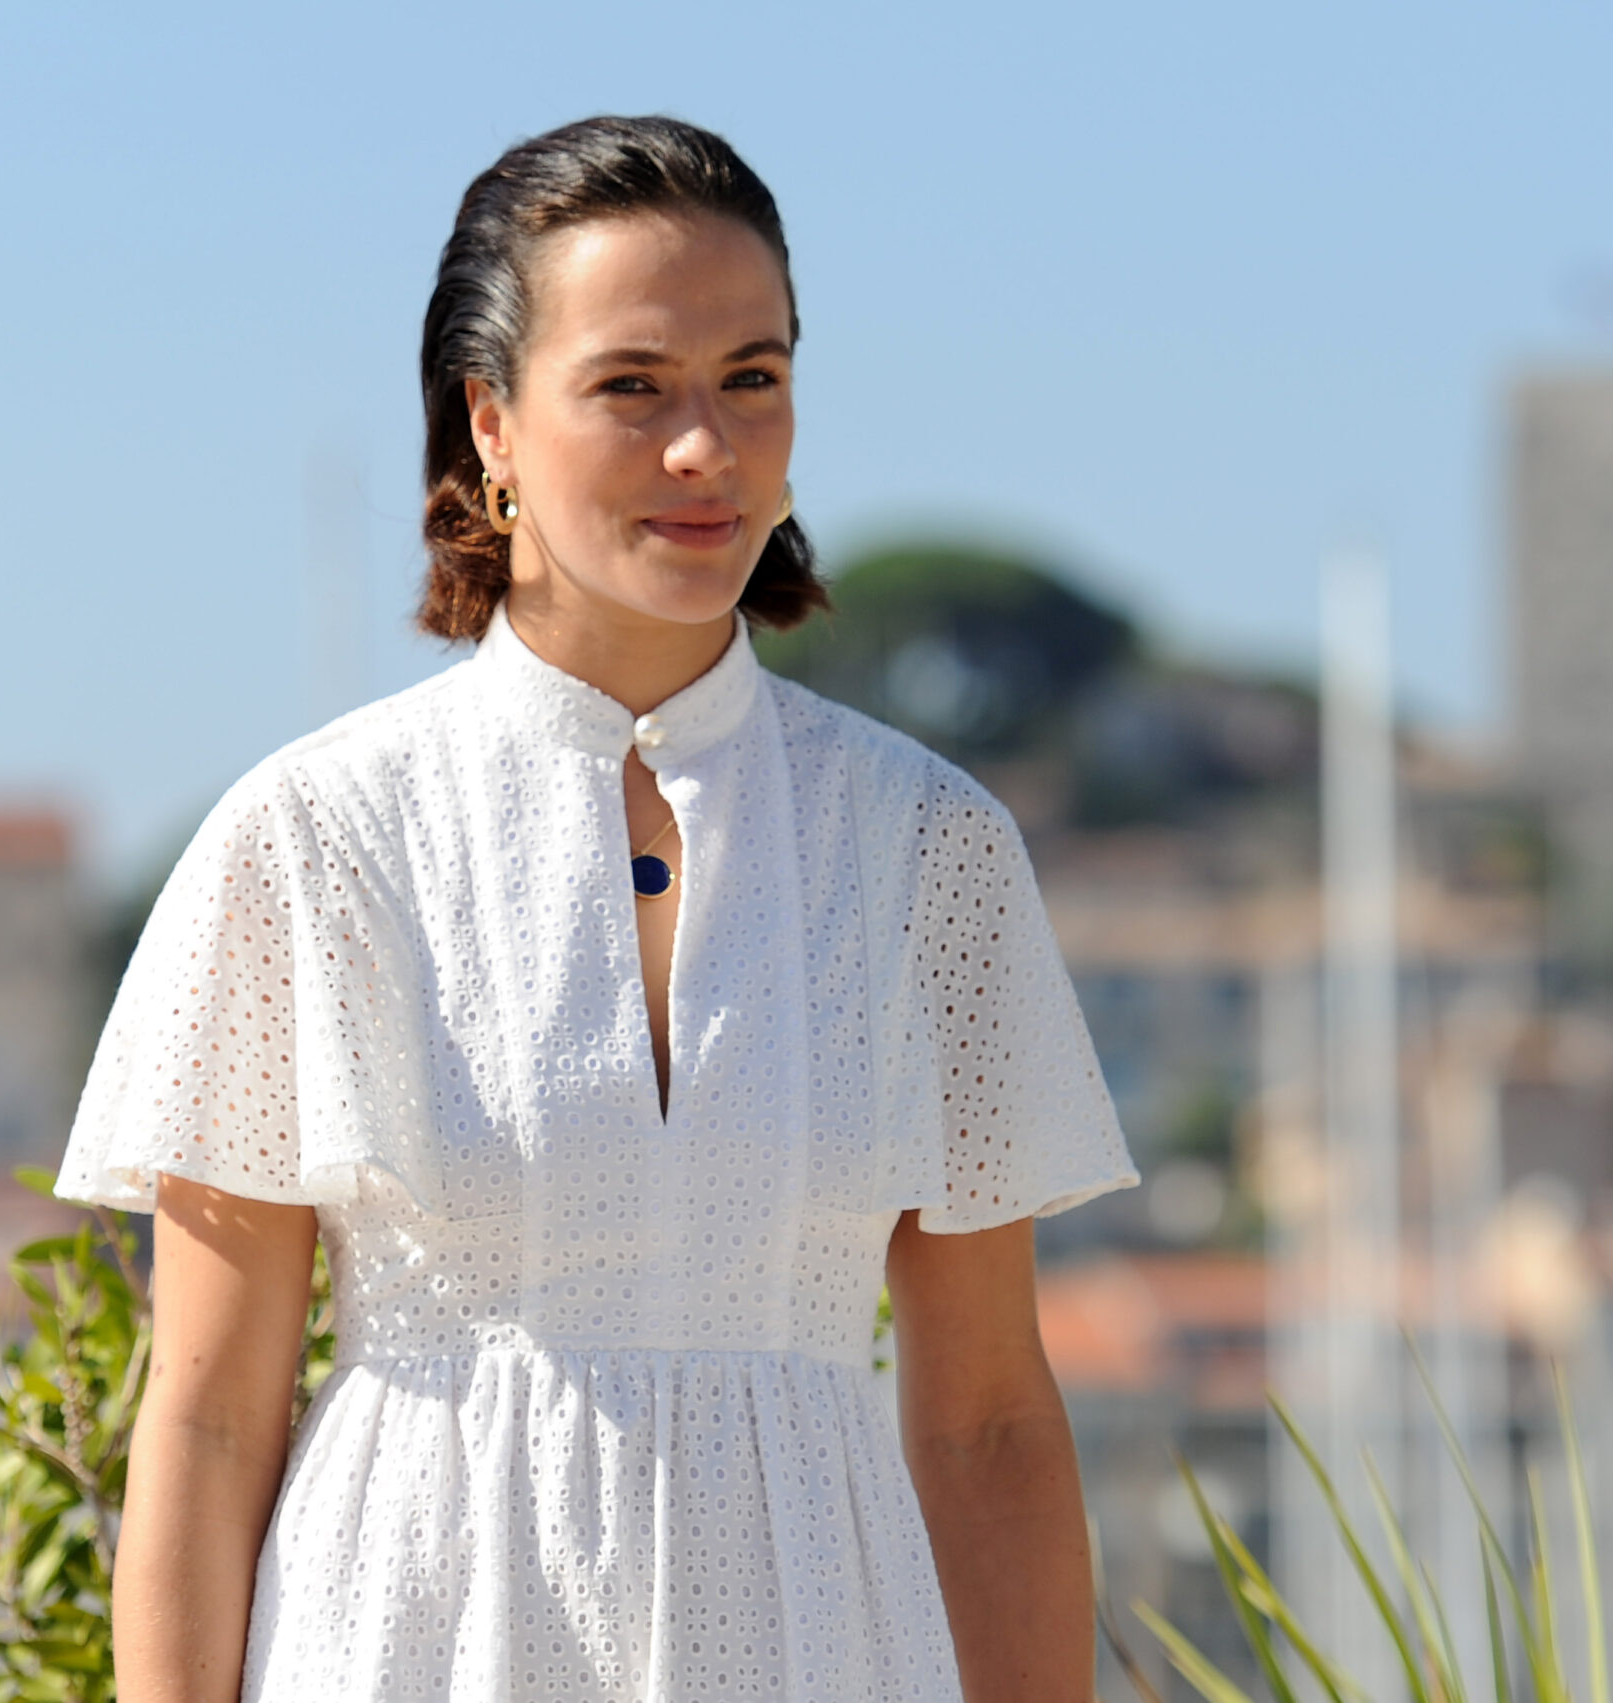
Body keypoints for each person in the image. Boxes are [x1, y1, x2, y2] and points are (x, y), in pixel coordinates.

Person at [57, 114, 1138, 1703]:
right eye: (634, 386)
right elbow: (211, 1422)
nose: (705, 448)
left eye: (751, 378)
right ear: (491, 423)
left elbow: (988, 1423)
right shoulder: (312, 837)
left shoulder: (930, 848)